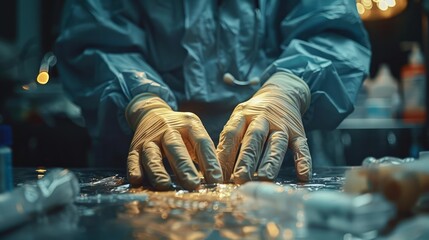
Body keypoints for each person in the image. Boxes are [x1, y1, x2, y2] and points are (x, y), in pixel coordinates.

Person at [55, 0, 371, 191]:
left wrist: (290, 87)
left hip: (285, 166)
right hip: (147, 172)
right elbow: (94, 39)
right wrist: (141, 102)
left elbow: (332, 31)